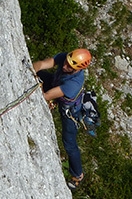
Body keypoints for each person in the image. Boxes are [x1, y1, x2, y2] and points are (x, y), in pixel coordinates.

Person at [32, 49, 92, 190]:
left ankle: (77, 175)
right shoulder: (67, 58)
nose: (65, 66)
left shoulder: (74, 83)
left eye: (70, 67)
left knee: (69, 143)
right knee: (41, 73)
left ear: (79, 69)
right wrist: (33, 69)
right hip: (56, 83)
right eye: (66, 62)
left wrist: (44, 92)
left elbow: (46, 95)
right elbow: (42, 64)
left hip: (70, 112)